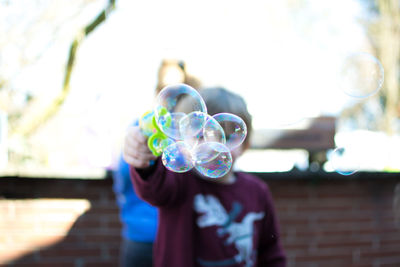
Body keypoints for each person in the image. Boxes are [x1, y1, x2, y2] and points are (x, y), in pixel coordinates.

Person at [123, 87, 287, 267]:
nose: (212, 145)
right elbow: (154, 187)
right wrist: (145, 161)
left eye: (225, 136)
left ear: (245, 145)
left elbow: (271, 251)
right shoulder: (178, 182)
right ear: (182, 140)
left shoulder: (257, 191)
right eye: (201, 135)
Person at [112, 59, 202, 267]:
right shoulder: (144, 128)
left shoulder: (190, 132)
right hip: (150, 237)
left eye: (178, 93)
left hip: (169, 237)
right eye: (164, 89)